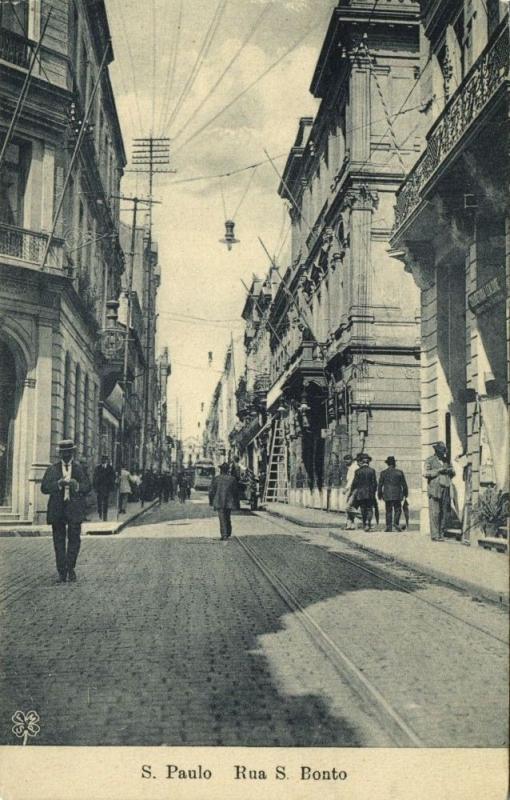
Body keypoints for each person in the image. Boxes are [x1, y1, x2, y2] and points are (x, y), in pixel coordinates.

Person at [41, 439, 91, 583]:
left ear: (72, 452)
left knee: (75, 540)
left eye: (69, 452)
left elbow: (88, 486)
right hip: (58, 509)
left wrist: (77, 486)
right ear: (60, 454)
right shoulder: (52, 469)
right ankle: (62, 571)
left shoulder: (79, 469)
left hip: (74, 509)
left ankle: (71, 568)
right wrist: (58, 484)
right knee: (59, 541)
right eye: (63, 453)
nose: (66, 455)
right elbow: (44, 488)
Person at [424, 441, 455, 541]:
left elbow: (453, 472)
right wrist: (438, 471)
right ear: (436, 452)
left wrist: (450, 471)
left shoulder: (446, 461)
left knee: (444, 511)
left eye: (444, 452)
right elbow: (426, 473)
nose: (443, 453)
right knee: (435, 512)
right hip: (434, 489)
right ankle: (435, 535)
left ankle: (441, 533)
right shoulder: (430, 460)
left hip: (445, 487)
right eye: (441, 452)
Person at [209, 462, 240, 540]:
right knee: (227, 516)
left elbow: (211, 491)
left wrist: (211, 501)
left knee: (222, 518)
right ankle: (228, 532)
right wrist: (236, 502)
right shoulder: (232, 479)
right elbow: (236, 492)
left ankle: (224, 534)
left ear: (221, 470)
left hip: (219, 501)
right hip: (229, 501)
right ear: (228, 470)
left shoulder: (216, 479)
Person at [378, 456, 409, 532]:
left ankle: (388, 526)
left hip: (387, 494)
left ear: (387, 464)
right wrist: (405, 494)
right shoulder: (399, 472)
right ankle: (396, 524)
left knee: (388, 510)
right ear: (394, 463)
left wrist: (379, 494)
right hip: (397, 494)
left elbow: (380, 485)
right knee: (398, 509)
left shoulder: (383, 473)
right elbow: (404, 485)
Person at [350, 454, 378, 531]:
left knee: (363, 508)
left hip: (360, 493)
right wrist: (373, 491)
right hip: (370, 493)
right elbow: (375, 483)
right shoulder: (372, 471)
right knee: (369, 509)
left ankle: (364, 524)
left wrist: (352, 492)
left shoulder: (358, 471)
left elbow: (354, 483)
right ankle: (368, 524)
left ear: (362, 462)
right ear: (368, 462)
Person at [92, 454, 116, 521]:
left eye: (105, 459)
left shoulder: (110, 468)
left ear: (106, 460)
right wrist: (95, 486)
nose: (104, 461)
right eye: (102, 459)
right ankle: (100, 513)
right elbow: (94, 477)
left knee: (106, 502)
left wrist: (111, 484)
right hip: (99, 487)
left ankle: (105, 515)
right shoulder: (98, 468)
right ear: (101, 460)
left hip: (107, 487)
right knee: (99, 502)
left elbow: (113, 477)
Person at [344, 453, 363, 529]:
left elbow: (351, 480)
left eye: (347, 460)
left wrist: (346, 489)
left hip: (353, 490)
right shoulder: (351, 467)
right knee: (351, 507)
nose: (346, 462)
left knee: (348, 507)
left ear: (351, 460)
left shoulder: (354, 467)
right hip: (352, 489)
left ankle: (364, 518)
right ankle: (349, 525)